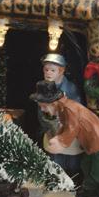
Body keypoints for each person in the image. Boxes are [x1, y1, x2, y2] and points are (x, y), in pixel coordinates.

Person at [30, 80, 99, 197]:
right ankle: (90, 190)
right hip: (91, 145)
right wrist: (58, 135)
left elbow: (72, 128)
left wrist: (60, 142)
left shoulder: (70, 109)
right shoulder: (63, 109)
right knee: (86, 165)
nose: (42, 109)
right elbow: (66, 126)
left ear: (53, 103)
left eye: (43, 106)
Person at [37, 54, 83, 184]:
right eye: (46, 70)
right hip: (51, 128)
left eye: (52, 70)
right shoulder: (43, 87)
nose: (48, 73)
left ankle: (73, 180)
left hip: (69, 129)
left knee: (72, 160)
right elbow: (40, 111)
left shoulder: (70, 88)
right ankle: (57, 180)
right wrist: (47, 125)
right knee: (55, 158)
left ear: (61, 71)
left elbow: (77, 109)